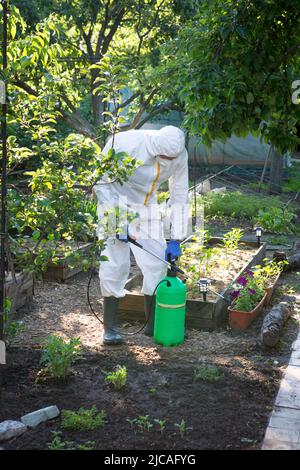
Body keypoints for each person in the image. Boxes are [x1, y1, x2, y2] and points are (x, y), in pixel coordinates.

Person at [94, 125, 189, 345]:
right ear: (155, 150)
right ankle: (110, 328)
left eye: (171, 159)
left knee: (157, 263)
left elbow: (179, 193)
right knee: (114, 264)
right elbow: (100, 181)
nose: (167, 163)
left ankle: (152, 324)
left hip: (147, 206)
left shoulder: (179, 154)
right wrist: (116, 221)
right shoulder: (124, 143)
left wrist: (175, 237)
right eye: (164, 158)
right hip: (114, 203)